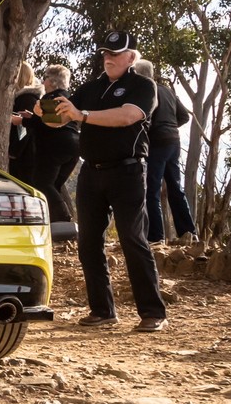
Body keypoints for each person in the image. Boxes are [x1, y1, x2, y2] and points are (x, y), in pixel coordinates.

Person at [48, 30, 167, 332]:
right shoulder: (92, 88)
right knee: (88, 243)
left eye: (115, 54)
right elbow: (60, 115)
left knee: (132, 238)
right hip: (92, 173)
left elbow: (127, 116)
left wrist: (81, 114)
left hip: (127, 172)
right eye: (105, 53)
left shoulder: (143, 85)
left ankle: (152, 312)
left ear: (130, 57)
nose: (109, 58)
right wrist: (44, 110)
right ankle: (102, 311)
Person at [134, 58, 198, 244]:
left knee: (152, 191)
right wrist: (171, 126)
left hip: (157, 143)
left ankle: (156, 236)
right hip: (174, 142)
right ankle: (189, 233)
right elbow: (184, 116)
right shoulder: (167, 91)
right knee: (175, 188)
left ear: (138, 74)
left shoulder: (145, 91)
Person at [22, 63, 79, 225]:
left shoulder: (50, 98)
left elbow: (46, 122)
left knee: (43, 183)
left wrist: (23, 120)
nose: (43, 81)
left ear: (52, 82)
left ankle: (64, 220)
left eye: (46, 77)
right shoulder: (69, 98)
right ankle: (56, 221)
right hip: (74, 146)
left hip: (54, 146)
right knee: (55, 184)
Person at [7, 60, 41, 184]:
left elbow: (25, 128)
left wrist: (14, 151)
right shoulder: (22, 98)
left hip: (25, 156)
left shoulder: (27, 99)